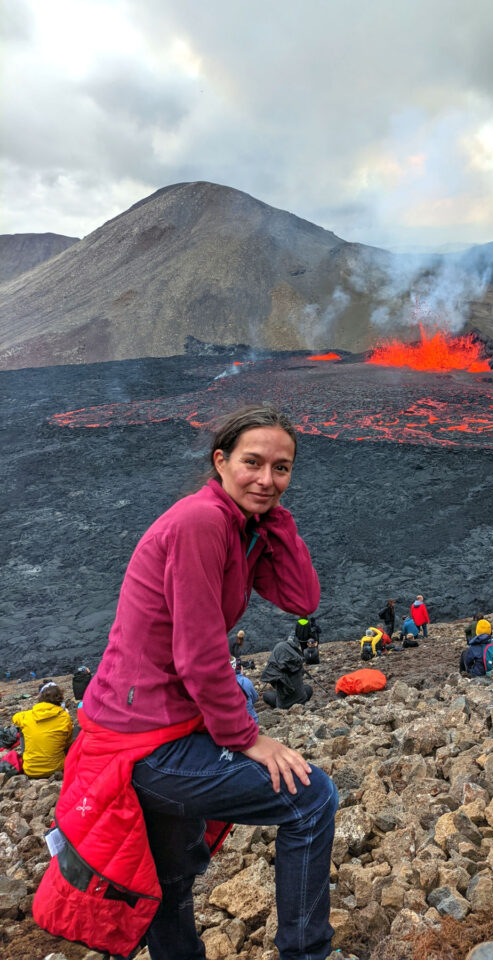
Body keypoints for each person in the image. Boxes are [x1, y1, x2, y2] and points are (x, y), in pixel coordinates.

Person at [35, 405, 336, 960]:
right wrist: (249, 739)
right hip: (142, 738)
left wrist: (276, 517)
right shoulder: (201, 523)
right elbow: (198, 656)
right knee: (312, 799)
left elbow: (302, 600)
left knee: (171, 879)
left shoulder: (239, 523)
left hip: (154, 718)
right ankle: (307, 952)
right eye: (252, 462)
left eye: (282, 468)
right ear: (219, 461)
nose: (267, 479)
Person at [13, 682, 73, 778]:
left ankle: (29, 759)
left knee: (22, 728)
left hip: (30, 770)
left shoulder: (26, 716)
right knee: (68, 733)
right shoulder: (65, 717)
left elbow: (15, 718)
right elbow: (68, 743)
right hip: (56, 768)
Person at [261, 635, 314, 708]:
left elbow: (267, 677)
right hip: (301, 701)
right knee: (308, 688)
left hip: (283, 705)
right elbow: (301, 674)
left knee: (267, 695)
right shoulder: (298, 664)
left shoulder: (274, 670)